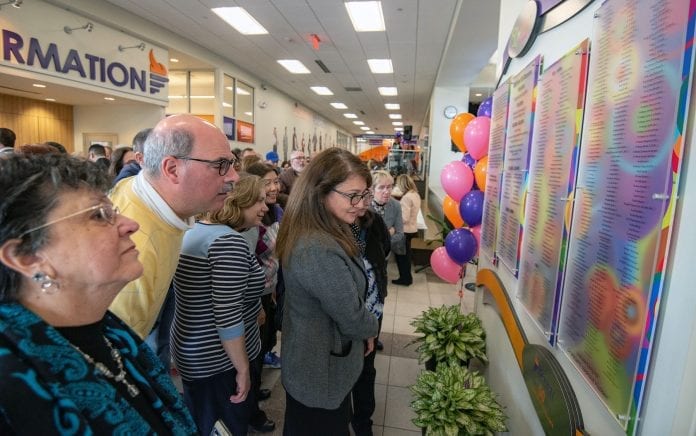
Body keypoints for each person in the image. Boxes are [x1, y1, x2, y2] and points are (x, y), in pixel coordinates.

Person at [0, 153, 196, 434]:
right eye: (98, 215)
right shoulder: (10, 384)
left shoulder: (109, 331)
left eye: (113, 210)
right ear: (26, 257)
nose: (130, 224)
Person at [109, 114, 239, 345]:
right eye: (221, 165)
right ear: (172, 169)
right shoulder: (136, 255)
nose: (233, 176)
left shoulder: (143, 191)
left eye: (231, 163)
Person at [276, 148, 379, 435]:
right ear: (321, 192)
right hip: (318, 373)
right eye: (353, 196)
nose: (361, 205)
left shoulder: (328, 228)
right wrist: (369, 327)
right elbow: (350, 315)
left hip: (320, 365)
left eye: (364, 195)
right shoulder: (315, 246)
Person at [172, 175, 271, 436]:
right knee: (224, 427)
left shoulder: (195, 230)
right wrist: (243, 368)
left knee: (204, 422)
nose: (266, 207)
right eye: (258, 200)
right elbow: (227, 318)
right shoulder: (228, 243)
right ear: (237, 202)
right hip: (218, 360)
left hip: (194, 350)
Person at [350, 206, 391, 436]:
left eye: (365, 193)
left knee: (367, 365)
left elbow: (384, 248)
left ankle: (363, 419)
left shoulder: (373, 221)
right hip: (346, 308)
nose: (360, 201)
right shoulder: (329, 224)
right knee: (346, 363)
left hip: (373, 303)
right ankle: (345, 413)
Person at [246, 162, 283, 372]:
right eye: (266, 183)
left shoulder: (276, 210)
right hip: (253, 294)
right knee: (253, 348)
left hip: (270, 288)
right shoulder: (249, 221)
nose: (274, 188)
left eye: (276, 182)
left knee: (265, 341)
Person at [370, 171, 406, 285]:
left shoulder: (395, 205)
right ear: (372, 190)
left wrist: (381, 240)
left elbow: (400, 234)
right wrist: (388, 232)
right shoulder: (365, 205)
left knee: (380, 284)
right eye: (381, 187)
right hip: (364, 256)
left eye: (389, 187)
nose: (386, 191)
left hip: (384, 255)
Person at [394, 174, 421, 286]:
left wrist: (394, 220)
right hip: (412, 229)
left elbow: (404, 218)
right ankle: (407, 278)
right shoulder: (415, 194)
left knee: (401, 257)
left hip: (405, 230)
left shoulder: (406, 198)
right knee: (406, 256)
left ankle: (404, 279)